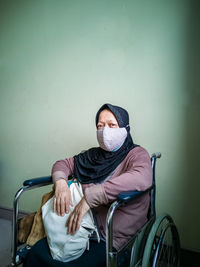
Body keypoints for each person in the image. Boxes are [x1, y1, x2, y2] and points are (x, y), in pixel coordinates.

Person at [24, 103, 152, 267]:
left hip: (111, 234)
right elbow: (62, 164)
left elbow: (142, 178)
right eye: (100, 126)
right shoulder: (93, 155)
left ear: (125, 128)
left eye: (112, 125)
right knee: (36, 254)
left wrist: (89, 198)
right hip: (80, 223)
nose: (105, 131)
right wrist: (61, 184)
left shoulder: (137, 154)